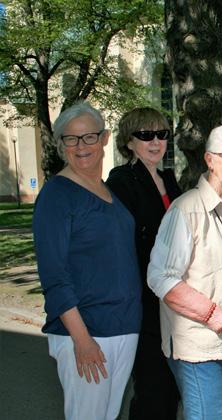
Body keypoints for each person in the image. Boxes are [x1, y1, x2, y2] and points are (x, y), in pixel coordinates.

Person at [147, 124, 222, 420]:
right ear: (209, 159)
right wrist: (211, 312)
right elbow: (160, 276)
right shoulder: (186, 209)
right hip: (199, 346)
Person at [32, 102, 142, 420]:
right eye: (71, 139)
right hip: (87, 332)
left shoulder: (108, 192)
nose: (81, 147)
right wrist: (82, 339)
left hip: (123, 327)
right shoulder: (56, 195)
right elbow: (54, 275)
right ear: (61, 144)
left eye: (89, 137)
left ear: (105, 138)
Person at [106, 107, 182, 419]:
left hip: (175, 297)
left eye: (162, 134)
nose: (156, 141)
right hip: (144, 300)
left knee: (173, 389)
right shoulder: (122, 180)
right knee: (154, 388)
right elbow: (123, 245)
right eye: (145, 135)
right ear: (129, 142)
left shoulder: (169, 179)